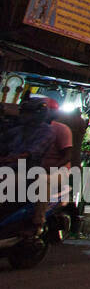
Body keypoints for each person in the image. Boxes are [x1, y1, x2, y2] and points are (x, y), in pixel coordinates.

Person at [0, 97, 57, 233]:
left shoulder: (47, 131)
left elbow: (33, 152)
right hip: (8, 168)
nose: (24, 115)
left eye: (28, 113)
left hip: (28, 171)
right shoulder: (17, 130)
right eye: (24, 112)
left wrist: (10, 158)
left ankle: (38, 224)